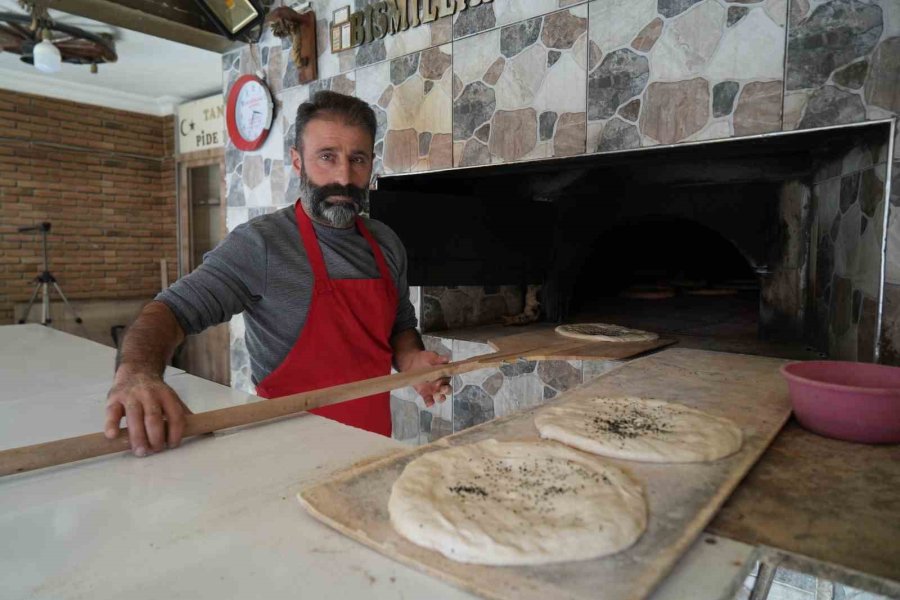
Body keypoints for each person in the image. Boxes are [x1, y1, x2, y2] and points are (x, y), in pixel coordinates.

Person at [105, 90, 451, 457]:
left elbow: (399, 326)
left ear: (371, 164)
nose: (344, 176)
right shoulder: (262, 244)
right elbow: (172, 311)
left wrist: (413, 361)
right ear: (297, 161)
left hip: (372, 444)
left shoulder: (386, 243)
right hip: (286, 453)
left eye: (357, 159)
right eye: (327, 157)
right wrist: (137, 373)